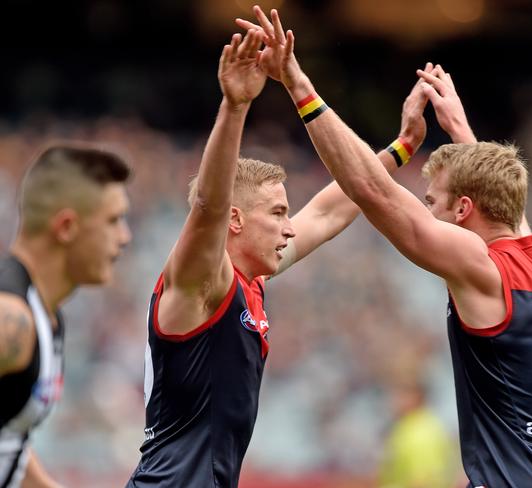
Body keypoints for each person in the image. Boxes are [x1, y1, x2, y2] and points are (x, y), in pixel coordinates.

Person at [253, 7, 532, 487]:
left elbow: (370, 190)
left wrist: (297, 84)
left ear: (464, 210)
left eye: (431, 201)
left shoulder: (482, 268)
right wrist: (460, 131)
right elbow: (506, 213)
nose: (425, 209)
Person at [125, 21, 458, 486]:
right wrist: (235, 107)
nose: (288, 226)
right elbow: (208, 206)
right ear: (235, 221)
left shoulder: (249, 281)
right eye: (277, 213)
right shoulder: (201, 283)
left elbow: (328, 211)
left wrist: (401, 149)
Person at [0, 144, 132, 487]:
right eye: (113, 220)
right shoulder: (11, 320)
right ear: (67, 227)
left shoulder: (44, 314)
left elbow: (9, 444)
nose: (125, 237)